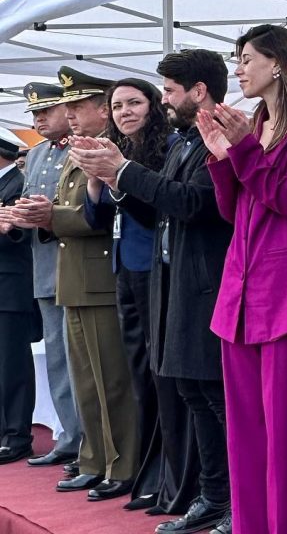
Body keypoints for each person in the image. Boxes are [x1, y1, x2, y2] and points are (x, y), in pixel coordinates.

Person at [73, 50, 233, 533]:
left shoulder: (216, 139)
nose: (163, 101)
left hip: (203, 283)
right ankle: (213, 496)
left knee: (214, 397)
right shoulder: (189, 141)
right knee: (192, 392)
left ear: (198, 92)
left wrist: (123, 170)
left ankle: (234, 500)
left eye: (168, 92)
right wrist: (114, 177)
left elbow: (194, 203)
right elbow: (161, 208)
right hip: (173, 281)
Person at [198, 25, 287, 534]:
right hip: (240, 294)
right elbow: (233, 211)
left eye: (247, 58)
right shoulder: (252, 125)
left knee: (286, 438)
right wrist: (222, 158)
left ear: (277, 64)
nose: (238, 69)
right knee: (246, 437)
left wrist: (240, 151)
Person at [11, 67, 140, 500]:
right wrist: (42, 216)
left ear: (100, 111)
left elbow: (96, 216)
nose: (69, 114)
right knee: (85, 380)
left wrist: (50, 217)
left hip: (100, 275)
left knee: (110, 380)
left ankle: (122, 463)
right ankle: (94, 458)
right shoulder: (74, 150)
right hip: (71, 276)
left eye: (77, 106)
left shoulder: (111, 150)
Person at [78, 78, 175, 510]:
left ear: (152, 106)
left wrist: (117, 178)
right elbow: (98, 218)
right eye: (117, 106)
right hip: (124, 267)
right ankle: (144, 469)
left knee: (158, 375)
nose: (125, 112)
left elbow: (154, 210)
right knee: (139, 374)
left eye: (134, 103)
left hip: (156, 269)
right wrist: (94, 182)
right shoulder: (115, 149)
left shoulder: (167, 147)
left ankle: (165, 473)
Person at [19, 82, 82, 469]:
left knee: (84, 362)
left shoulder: (84, 147)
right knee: (58, 360)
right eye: (35, 114)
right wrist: (18, 218)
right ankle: (70, 436)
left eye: (46, 111)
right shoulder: (38, 154)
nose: (39, 119)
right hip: (46, 268)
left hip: (80, 267)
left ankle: (92, 441)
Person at [0, 128, 39, 466]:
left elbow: (18, 235)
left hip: (11, 289)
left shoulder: (18, 184)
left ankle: (16, 436)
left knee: (13, 365)